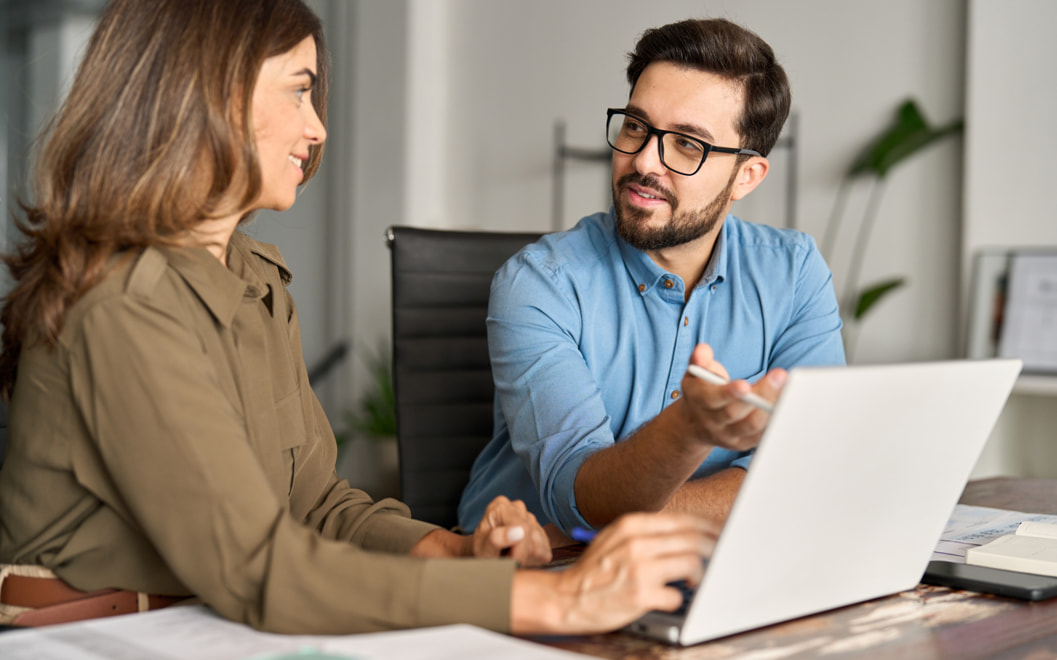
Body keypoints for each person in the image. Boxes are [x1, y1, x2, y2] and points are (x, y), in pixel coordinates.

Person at [0, 0, 719, 635]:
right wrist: (555, 603)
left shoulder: (253, 278)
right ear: (210, 92)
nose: (316, 127)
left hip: (201, 621)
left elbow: (315, 504)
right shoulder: (123, 298)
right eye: (299, 91)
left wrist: (455, 552)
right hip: (81, 634)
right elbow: (258, 569)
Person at [459, 18, 845, 537]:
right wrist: (691, 431)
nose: (643, 161)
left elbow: (810, 469)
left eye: (688, 144)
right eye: (636, 126)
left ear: (746, 177)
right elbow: (577, 496)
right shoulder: (538, 284)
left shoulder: (793, 273)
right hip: (536, 576)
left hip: (708, 566)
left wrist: (652, 517)